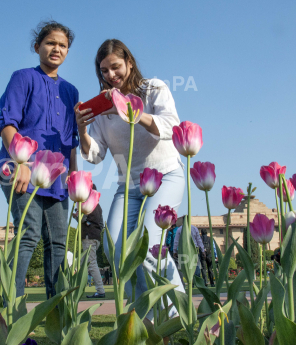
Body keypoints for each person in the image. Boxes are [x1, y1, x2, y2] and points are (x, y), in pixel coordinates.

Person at [75, 39, 186, 314]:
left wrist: (133, 113)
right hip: (129, 187)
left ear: (129, 63)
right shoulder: (103, 109)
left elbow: (172, 126)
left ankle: (178, 314)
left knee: (150, 246)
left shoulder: (153, 89)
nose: (111, 75)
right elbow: (96, 155)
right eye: (104, 71)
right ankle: (144, 317)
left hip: (165, 176)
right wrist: (82, 130)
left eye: (116, 67)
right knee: (116, 251)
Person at [0, 21, 78, 299]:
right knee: (28, 234)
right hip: (19, 168)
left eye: (63, 45)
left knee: (57, 242)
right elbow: (7, 124)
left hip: (57, 177)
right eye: (51, 43)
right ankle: (11, 310)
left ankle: (57, 313)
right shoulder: (23, 78)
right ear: (37, 46)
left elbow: (70, 142)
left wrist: (76, 184)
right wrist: (22, 164)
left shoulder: (71, 92)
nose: (57, 49)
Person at [73, 184, 106, 298]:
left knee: (91, 263)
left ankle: (100, 290)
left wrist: (76, 217)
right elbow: (101, 225)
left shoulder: (87, 204)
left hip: (88, 237)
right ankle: (76, 288)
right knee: (83, 264)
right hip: (95, 238)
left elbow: (82, 219)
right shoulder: (99, 207)